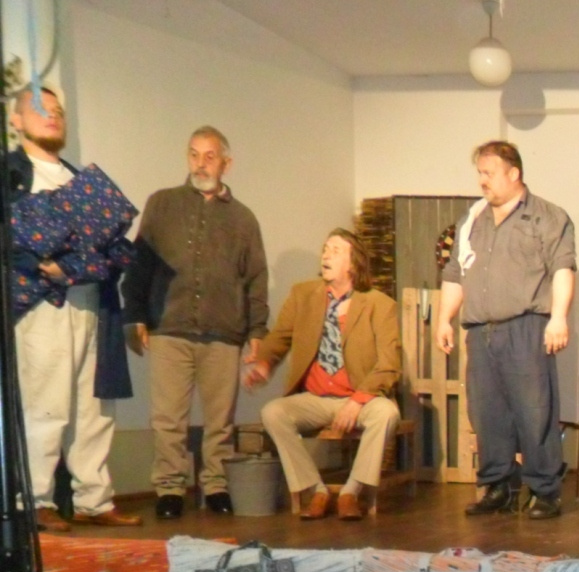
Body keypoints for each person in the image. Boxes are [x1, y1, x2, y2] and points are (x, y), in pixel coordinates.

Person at [7, 86, 140, 530]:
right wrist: (41, 265)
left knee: (94, 408)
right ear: (15, 120)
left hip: (92, 304)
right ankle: (36, 500)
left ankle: (94, 501)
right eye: (40, 109)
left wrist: (87, 263)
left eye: (58, 110)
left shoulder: (78, 179)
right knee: (46, 405)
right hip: (41, 306)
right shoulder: (11, 175)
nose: (53, 116)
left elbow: (112, 245)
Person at [123, 125, 269, 520]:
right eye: (194, 154)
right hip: (169, 328)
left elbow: (256, 279)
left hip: (223, 332)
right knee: (168, 418)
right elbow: (139, 264)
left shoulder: (243, 219)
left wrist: (257, 330)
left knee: (220, 421)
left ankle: (217, 485)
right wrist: (134, 314)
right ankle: (170, 489)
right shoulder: (162, 204)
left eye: (209, 156)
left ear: (226, 164)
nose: (200, 163)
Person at [434, 140, 575, 520]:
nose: (483, 181)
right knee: (487, 413)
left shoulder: (546, 216)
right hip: (482, 331)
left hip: (525, 327)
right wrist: (444, 318)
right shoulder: (473, 219)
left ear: (514, 173)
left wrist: (559, 317)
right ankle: (498, 487)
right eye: (480, 173)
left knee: (534, 410)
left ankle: (544, 490)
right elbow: (455, 273)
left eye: (489, 173)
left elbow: (562, 268)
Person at [243, 229, 400, 521]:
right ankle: (316, 490)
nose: (326, 255)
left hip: (358, 398)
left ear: (353, 263)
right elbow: (281, 336)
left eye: (336, 250)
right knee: (273, 412)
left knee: (387, 413)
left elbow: (389, 364)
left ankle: (351, 491)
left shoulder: (379, 304)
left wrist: (358, 401)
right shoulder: (303, 294)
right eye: (325, 249)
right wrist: (264, 363)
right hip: (315, 397)